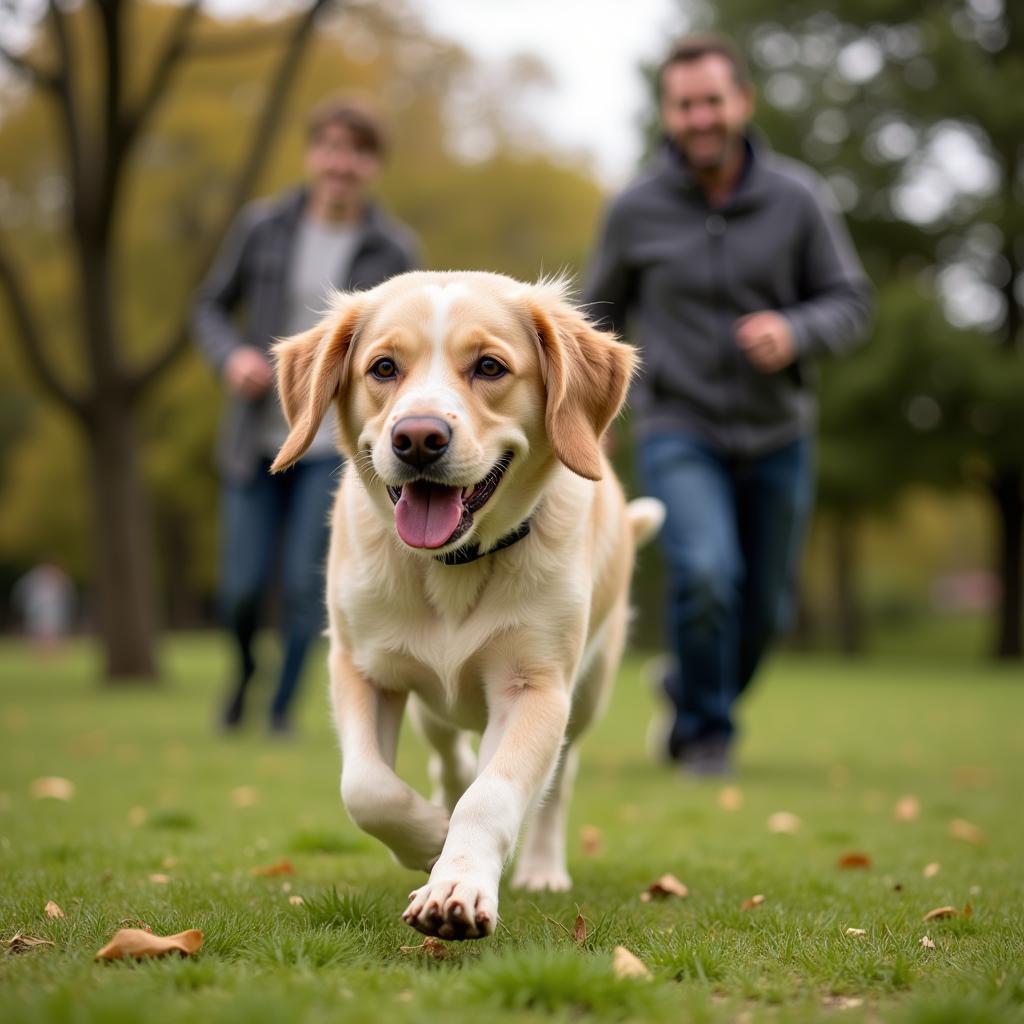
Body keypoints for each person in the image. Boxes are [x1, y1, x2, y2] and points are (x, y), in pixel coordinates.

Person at [584, 35, 872, 775]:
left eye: (713, 100)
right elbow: (597, 320)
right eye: (684, 105)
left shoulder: (797, 198)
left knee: (765, 608)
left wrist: (795, 328)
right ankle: (707, 736)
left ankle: (687, 687)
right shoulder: (636, 209)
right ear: (667, 113)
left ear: (742, 101)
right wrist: (588, 417)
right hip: (679, 423)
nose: (700, 117)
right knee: (706, 572)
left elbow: (850, 300)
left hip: (779, 430)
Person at [193, 97, 417, 733]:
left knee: (303, 584)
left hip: (335, 444)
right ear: (311, 154)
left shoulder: (394, 247)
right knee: (239, 587)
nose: (341, 163)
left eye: (357, 151)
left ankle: (283, 707)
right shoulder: (262, 227)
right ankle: (242, 674)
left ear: (373, 165)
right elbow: (208, 306)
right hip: (254, 436)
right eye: (331, 147)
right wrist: (230, 355)